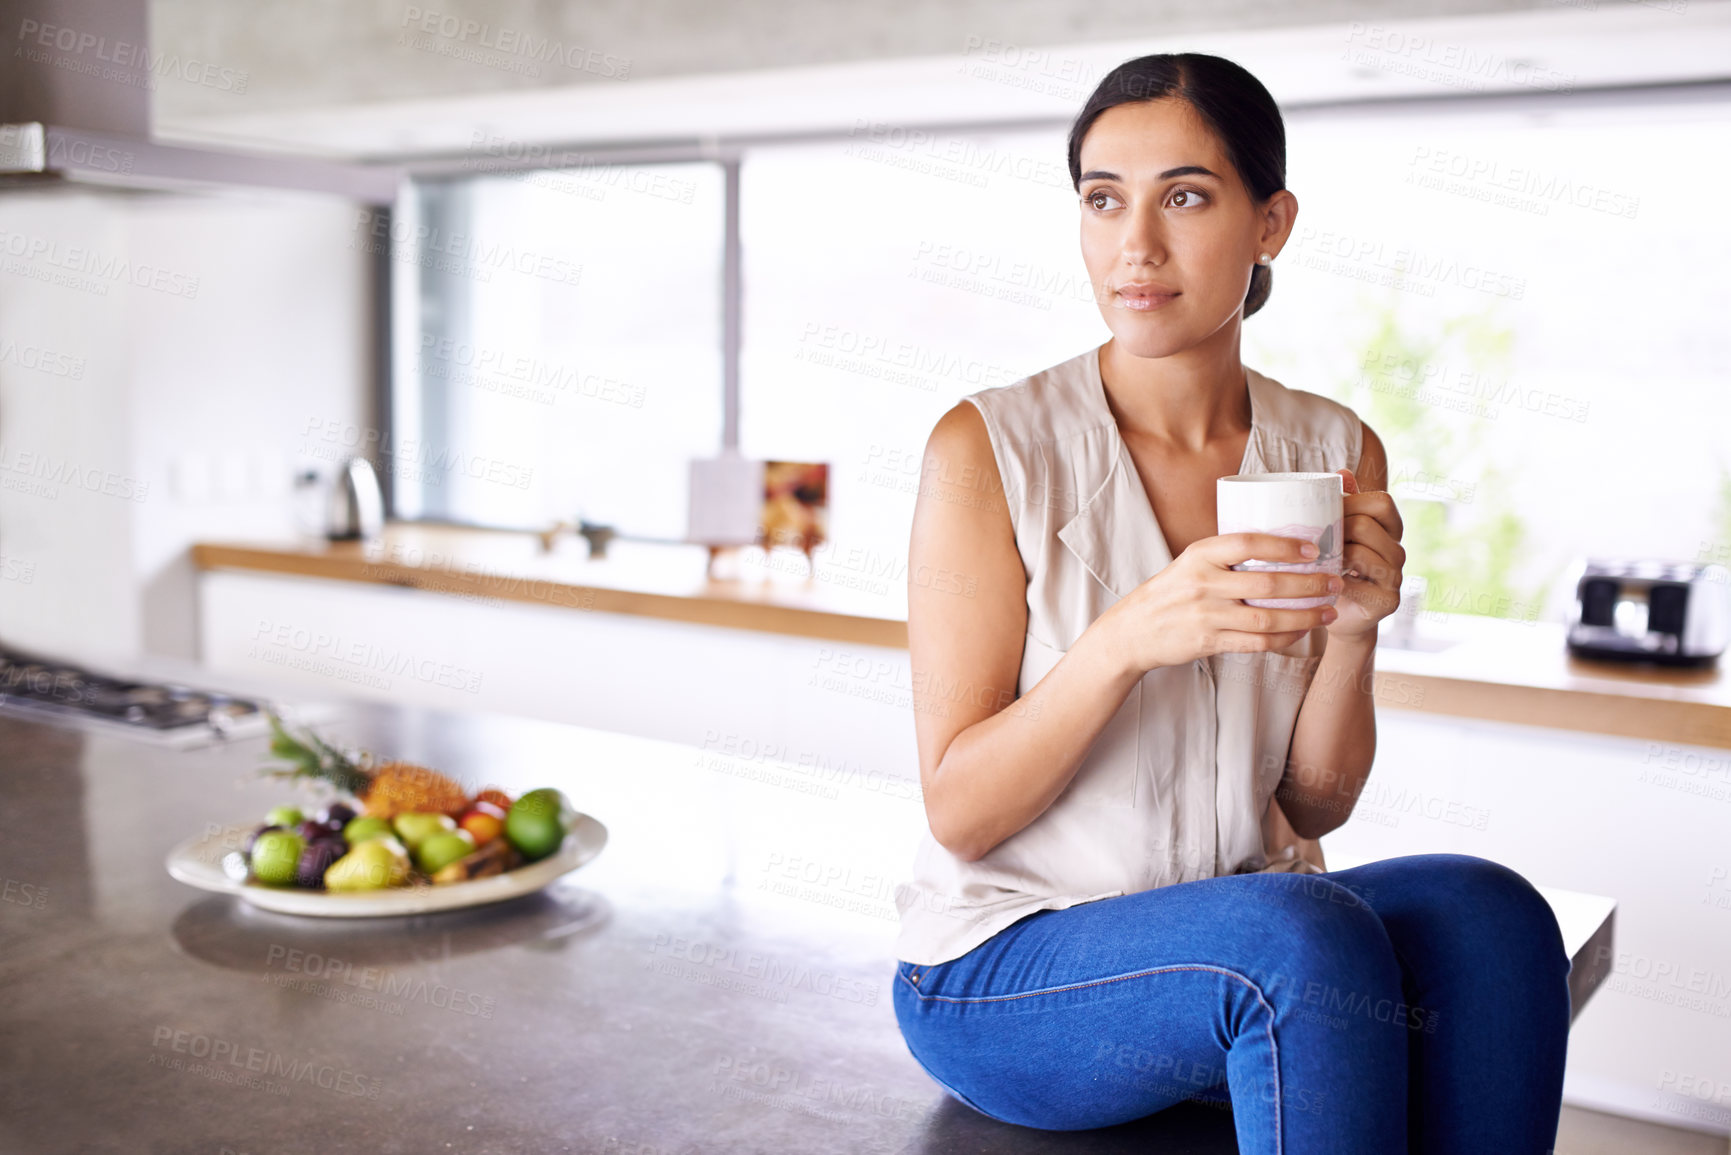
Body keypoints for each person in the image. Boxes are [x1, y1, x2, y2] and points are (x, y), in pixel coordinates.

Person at [890, 52, 1571, 1154]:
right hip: (1009, 965)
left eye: (1187, 196)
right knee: (1297, 936)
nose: (1135, 246)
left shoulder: (1334, 449)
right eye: (1104, 199)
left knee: (1492, 917)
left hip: (1248, 928)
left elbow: (1312, 807)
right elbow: (960, 811)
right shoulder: (989, 449)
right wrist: (1124, 641)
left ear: (1272, 223)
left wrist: (1353, 636)